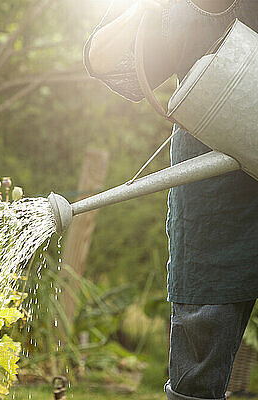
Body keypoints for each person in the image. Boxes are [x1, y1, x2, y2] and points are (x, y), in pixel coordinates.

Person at [84, 1, 258, 399]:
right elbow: (101, 57)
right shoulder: (177, 10)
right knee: (197, 375)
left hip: (217, 194)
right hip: (214, 200)